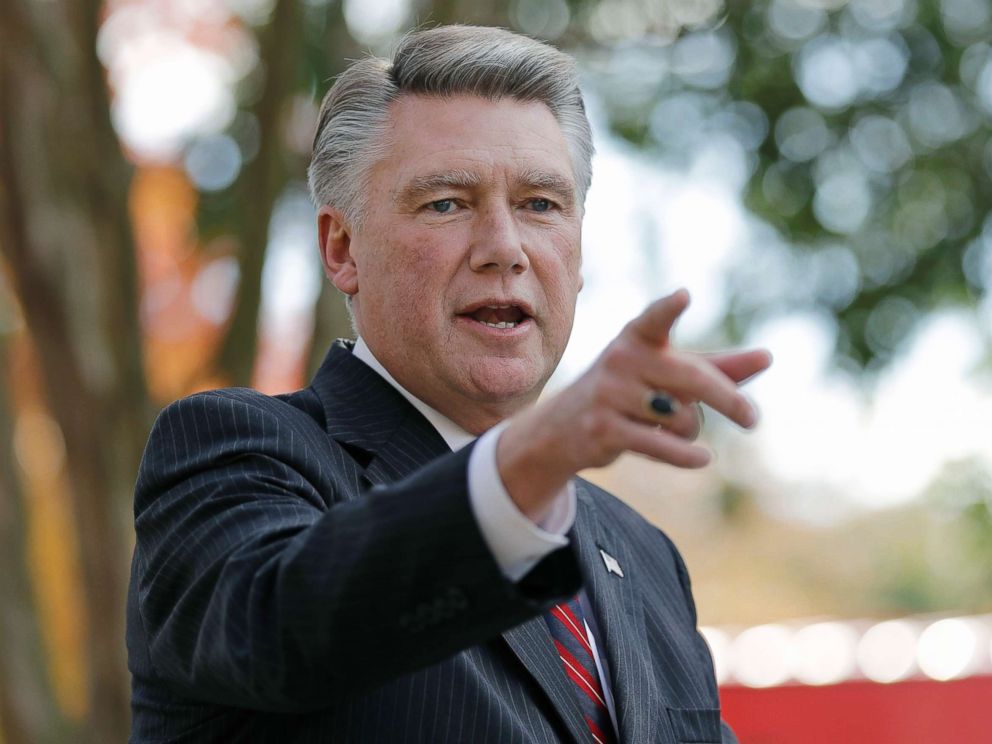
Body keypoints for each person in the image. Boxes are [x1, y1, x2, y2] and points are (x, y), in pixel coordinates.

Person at [126, 25, 771, 744]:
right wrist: (535, 457)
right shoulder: (236, 453)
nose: (505, 248)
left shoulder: (646, 555)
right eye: (447, 203)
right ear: (342, 249)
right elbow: (284, 628)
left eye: (540, 205)